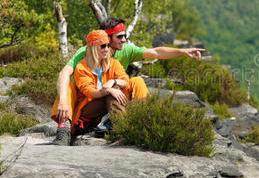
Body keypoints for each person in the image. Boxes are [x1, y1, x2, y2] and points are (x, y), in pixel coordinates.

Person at [52, 17, 204, 145]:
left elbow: (156, 52)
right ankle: (64, 127)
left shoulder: (123, 52)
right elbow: (65, 74)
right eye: (119, 37)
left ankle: (143, 120)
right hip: (90, 100)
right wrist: (63, 102)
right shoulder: (85, 54)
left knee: (137, 81)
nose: (124, 40)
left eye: (125, 36)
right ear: (106, 37)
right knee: (68, 86)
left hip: (113, 97)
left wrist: (183, 52)